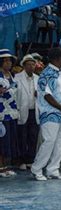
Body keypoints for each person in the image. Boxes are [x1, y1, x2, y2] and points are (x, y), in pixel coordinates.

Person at [31, 48, 61, 181]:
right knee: (49, 141)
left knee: (60, 141)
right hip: (50, 113)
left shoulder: (59, 72)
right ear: (56, 59)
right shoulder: (47, 74)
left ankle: (52, 169)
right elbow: (47, 96)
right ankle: (37, 169)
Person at [14, 55, 40, 172]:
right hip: (22, 110)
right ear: (24, 65)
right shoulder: (17, 78)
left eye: (33, 64)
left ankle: (30, 160)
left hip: (34, 111)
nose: (31, 66)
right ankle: (22, 160)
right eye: (28, 64)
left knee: (33, 137)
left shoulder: (38, 78)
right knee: (22, 137)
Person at [0, 49, 19, 178]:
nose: (8, 63)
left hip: (12, 112)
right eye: (5, 60)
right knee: (2, 140)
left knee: (9, 141)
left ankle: (6, 166)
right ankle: (0, 167)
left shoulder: (12, 76)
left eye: (10, 60)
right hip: (1, 112)